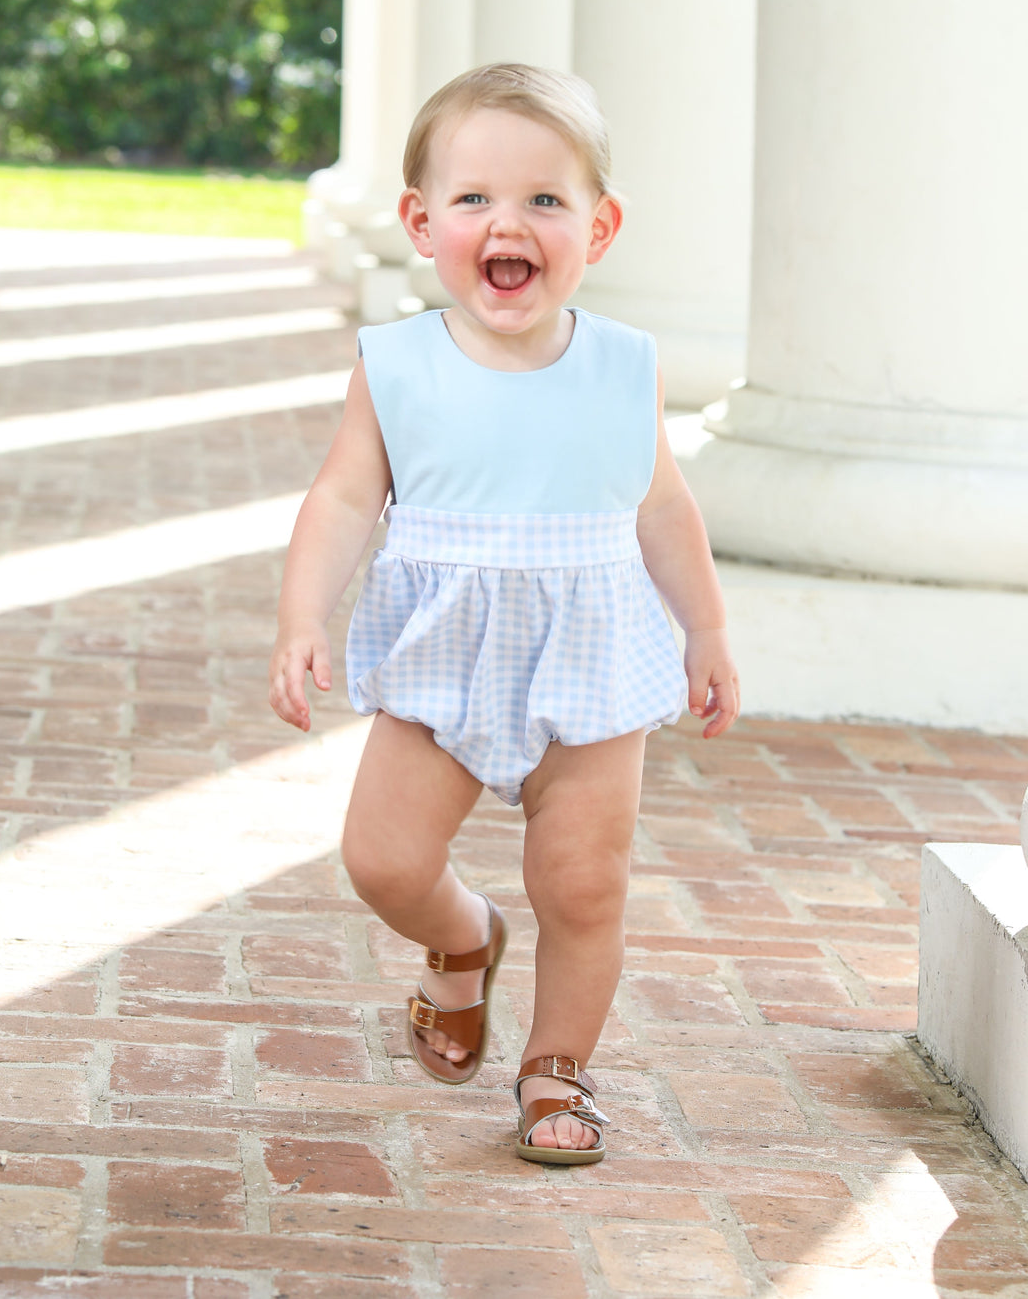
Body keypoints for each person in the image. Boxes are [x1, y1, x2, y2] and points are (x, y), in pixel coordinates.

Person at [270, 62, 739, 1164]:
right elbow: (343, 498)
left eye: (543, 200)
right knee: (383, 860)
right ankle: (463, 937)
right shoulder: (398, 365)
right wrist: (303, 615)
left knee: (583, 881)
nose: (506, 224)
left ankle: (555, 1070)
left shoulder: (624, 368)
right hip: (441, 659)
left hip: (589, 659)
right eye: (474, 200)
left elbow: (662, 505)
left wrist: (706, 627)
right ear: (421, 224)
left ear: (600, 226)